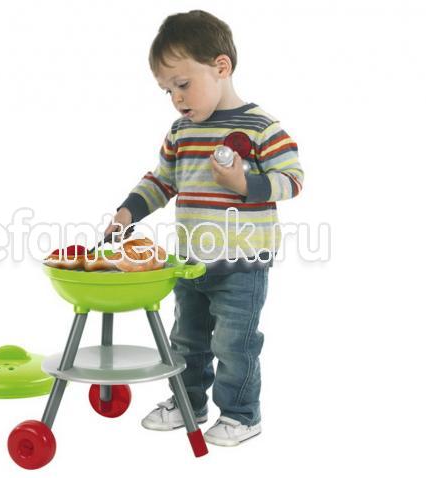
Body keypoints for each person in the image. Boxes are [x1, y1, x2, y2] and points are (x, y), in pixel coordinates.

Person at [104, 10, 304, 446]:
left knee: (234, 343)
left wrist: (244, 184)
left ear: (221, 67)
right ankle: (187, 402)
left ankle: (241, 415)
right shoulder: (181, 132)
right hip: (190, 261)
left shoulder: (261, 127)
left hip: (243, 262)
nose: (176, 98)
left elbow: (292, 180)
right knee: (186, 340)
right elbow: (162, 181)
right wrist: (127, 212)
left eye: (182, 84)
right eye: (168, 90)